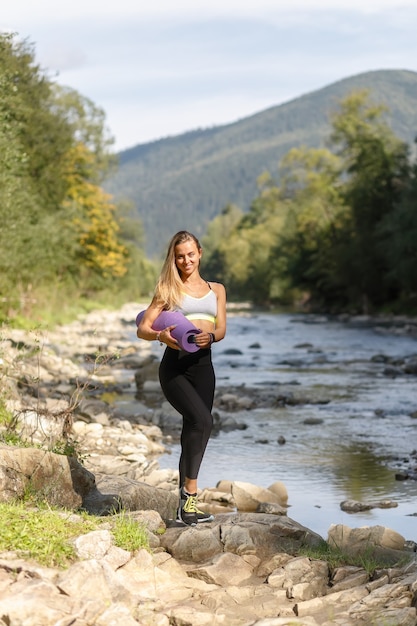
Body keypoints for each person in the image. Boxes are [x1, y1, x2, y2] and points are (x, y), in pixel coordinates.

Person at [136, 230, 226, 526]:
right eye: (179, 256)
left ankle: (186, 508)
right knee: (204, 421)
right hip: (174, 367)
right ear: (173, 259)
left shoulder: (218, 290)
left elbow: (221, 330)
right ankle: (190, 496)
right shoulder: (168, 289)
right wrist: (160, 335)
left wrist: (210, 335)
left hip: (204, 366)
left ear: (200, 252)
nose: (186, 260)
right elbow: (144, 328)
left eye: (190, 254)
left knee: (194, 429)